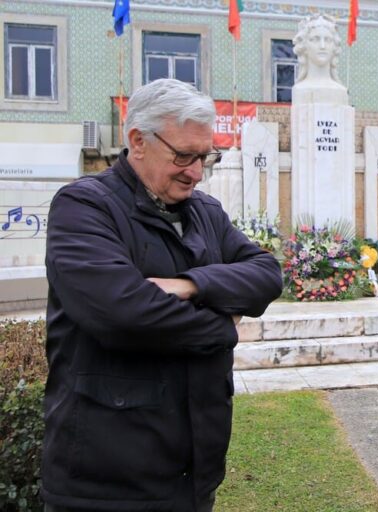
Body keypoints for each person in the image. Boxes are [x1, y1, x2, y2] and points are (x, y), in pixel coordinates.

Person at [41, 78, 284, 511]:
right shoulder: (83, 208)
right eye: (183, 156)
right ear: (138, 141)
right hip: (106, 483)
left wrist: (193, 284)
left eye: (204, 157)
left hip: (193, 476)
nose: (195, 171)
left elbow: (266, 274)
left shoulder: (204, 212)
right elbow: (124, 313)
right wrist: (223, 324)